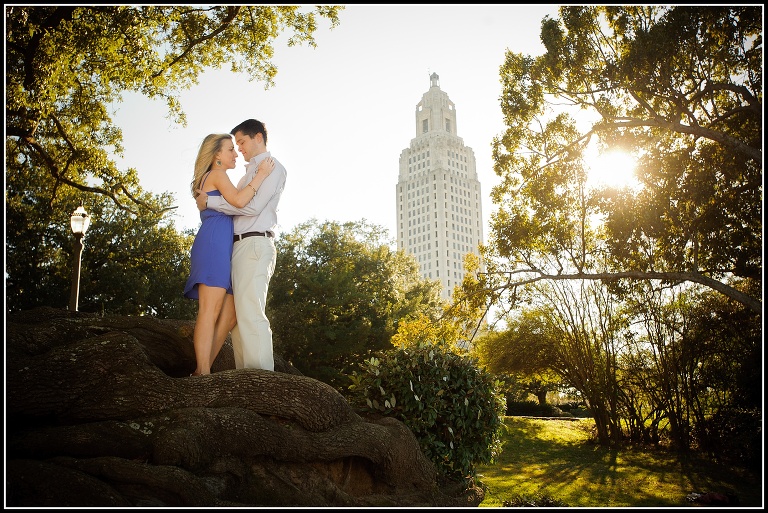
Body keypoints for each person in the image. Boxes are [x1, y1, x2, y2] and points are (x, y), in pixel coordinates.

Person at [195, 119, 287, 371]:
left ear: (258, 137)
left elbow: (250, 207)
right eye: (234, 146)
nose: (240, 149)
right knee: (236, 320)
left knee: (251, 313)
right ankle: (246, 380)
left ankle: (263, 382)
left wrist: (210, 203)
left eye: (242, 142)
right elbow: (237, 206)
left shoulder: (272, 167)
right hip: (237, 247)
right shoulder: (248, 174)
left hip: (256, 243)